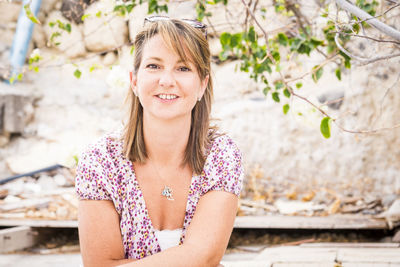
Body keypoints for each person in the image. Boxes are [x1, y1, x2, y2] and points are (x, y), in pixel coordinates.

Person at [75, 16, 244, 267]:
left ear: (202, 85)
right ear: (134, 80)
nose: (166, 80)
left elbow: (205, 256)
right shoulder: (101, 161)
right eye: (154, 66)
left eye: (183, 68)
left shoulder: (221, 155)